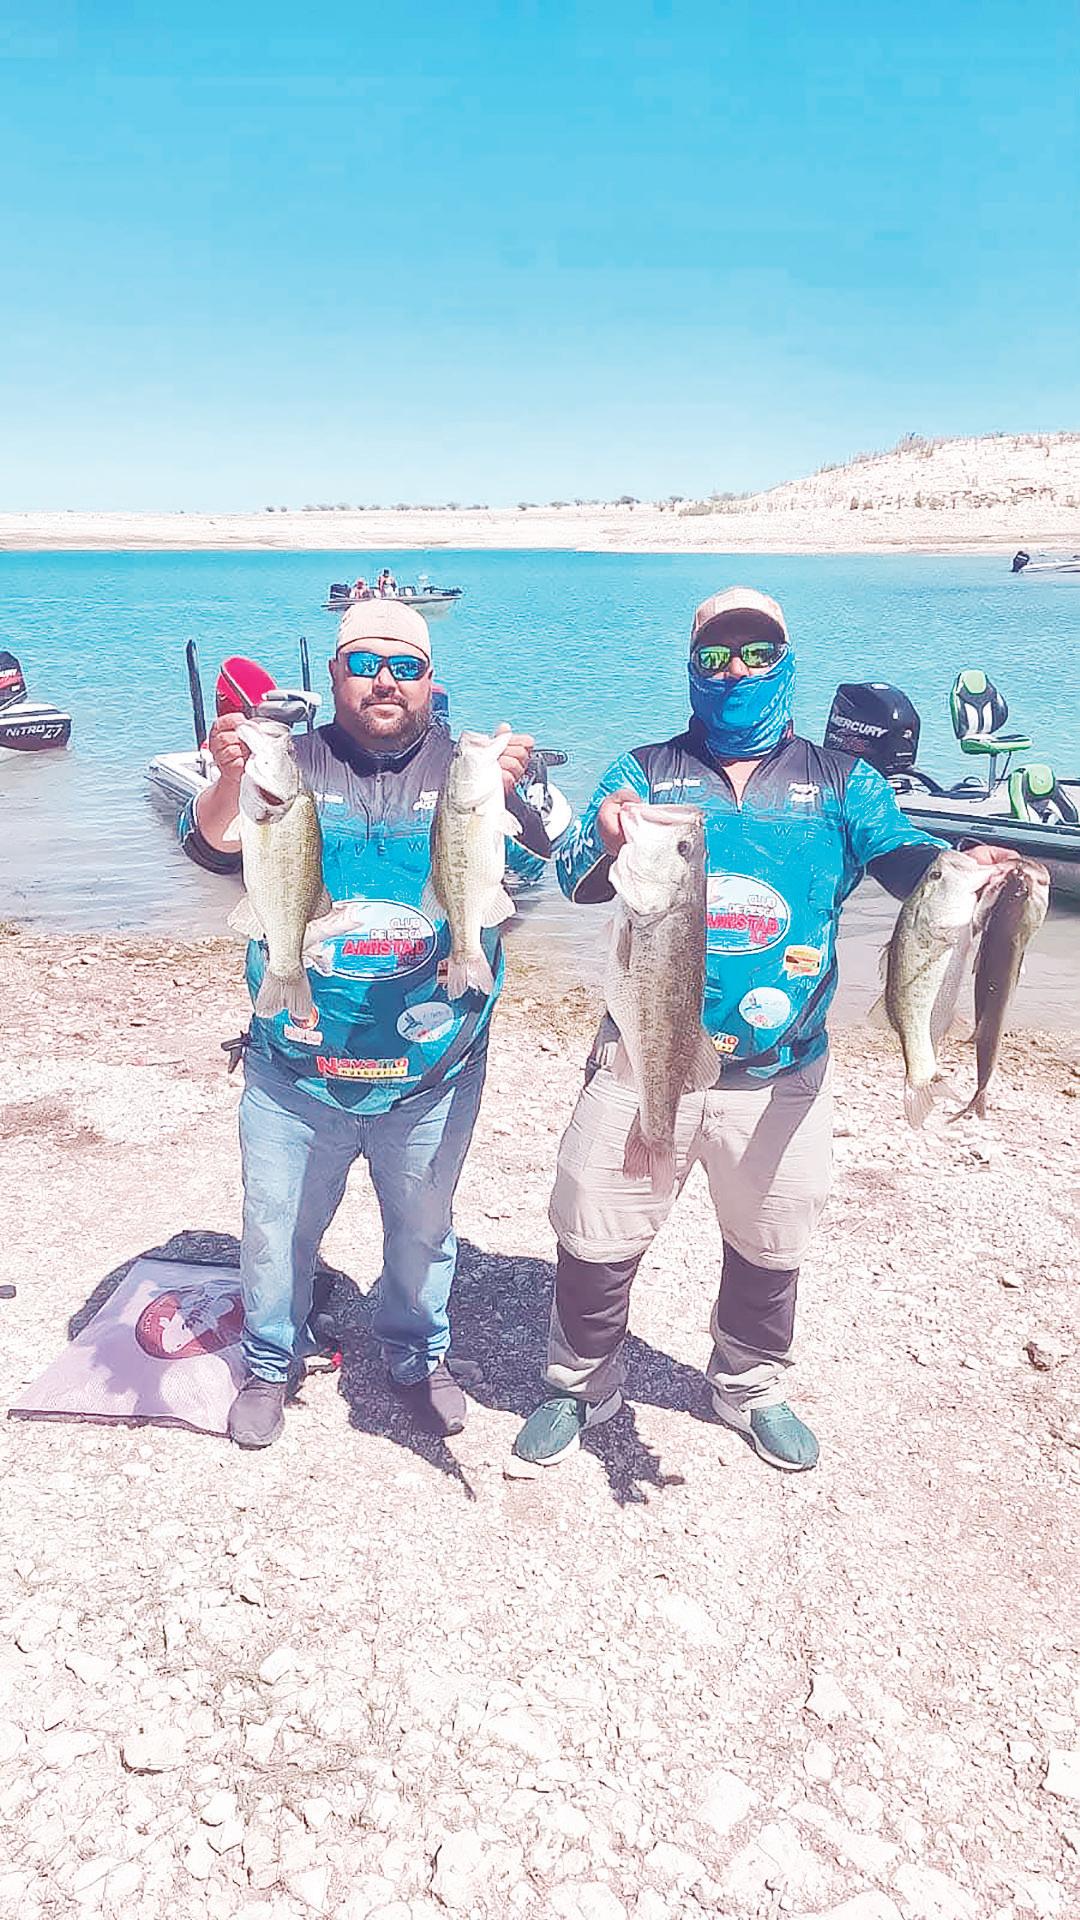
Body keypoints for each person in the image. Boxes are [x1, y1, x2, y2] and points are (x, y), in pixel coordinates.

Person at [512, 587, 1016, 1475]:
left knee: (771, 1244)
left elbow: (902, 860)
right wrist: (609, 832)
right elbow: (576, 881)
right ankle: (580, 1384)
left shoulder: (843, 781)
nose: (734, 670)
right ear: (691, 668)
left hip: (784, 1071)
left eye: (756, 653)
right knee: (594, 1231)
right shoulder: (644, 769)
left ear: (785, 663)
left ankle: (747, 1386)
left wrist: (957, 870)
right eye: (714, 656)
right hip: (640, 1056)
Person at [179, 600, 547, 1448]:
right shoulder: (291, 766)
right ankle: (269, 1361)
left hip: (433, 1069)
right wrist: (230, 776)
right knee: (275, 1226)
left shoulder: (465, 771)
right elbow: (205, 847)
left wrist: (515, 795)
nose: (386, 680)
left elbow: (540, 871)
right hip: (296, 1064)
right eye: (366, 664)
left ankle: (418, 1355)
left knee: (423, 1228)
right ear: (336, 674)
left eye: (405, 666)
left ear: (431, 679)